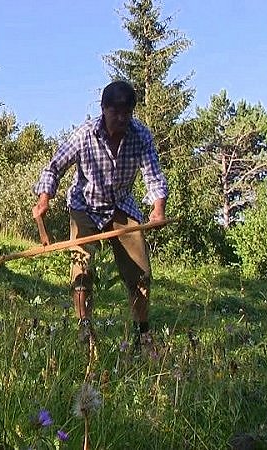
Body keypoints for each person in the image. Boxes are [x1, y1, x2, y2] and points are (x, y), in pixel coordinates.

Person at [32, 80, 168, 353]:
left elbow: (153, 176)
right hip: (85, 206)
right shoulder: (84, 135)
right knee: (82, 269)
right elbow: (54, 167)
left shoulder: (140, 134)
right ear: (103, 109)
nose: (120, 118)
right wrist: (44, 199)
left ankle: (144, 336)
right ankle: (85, 330)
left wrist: (158, 208)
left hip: (121, 205)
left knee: (140, 274)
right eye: (115, 111)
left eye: (126, 112)